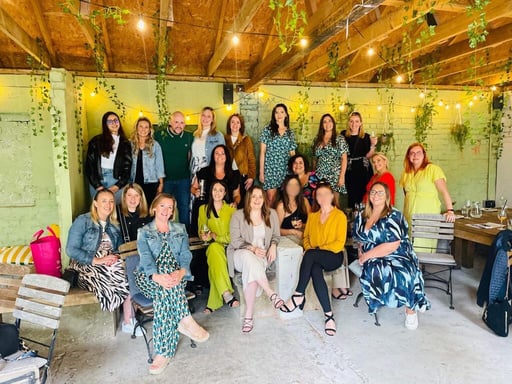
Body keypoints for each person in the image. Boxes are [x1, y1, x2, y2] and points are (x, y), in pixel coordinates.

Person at [135, 193, 209, 375]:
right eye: (162, 206)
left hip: (175, 276)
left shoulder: (179, 229)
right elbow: (145, 258)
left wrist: (182, 272)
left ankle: (162, 353)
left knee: (165, 292)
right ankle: (185, 319)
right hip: (148, 276)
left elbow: (185, 255)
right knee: (164, 286)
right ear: (154, 207)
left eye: (170, 207)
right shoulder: (144, 232)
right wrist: (157, 276)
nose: (166, 210)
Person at [352, 181, 430, 330]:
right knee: (375, 271)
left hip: (398, 253)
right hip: (372, 255)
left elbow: (393, 244)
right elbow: (360, 239)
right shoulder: (363, 215)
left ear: (387, 196)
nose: (376, 195)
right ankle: (380, 299)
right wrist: (360, 251)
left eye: (380, 192)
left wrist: (366, 256)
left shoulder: (394, 215)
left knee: (406, 273)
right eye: (373, 192)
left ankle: (411, 308)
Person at [280, 182, 347, 336]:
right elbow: (307, 238)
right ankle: (329, 316)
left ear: (331, 196)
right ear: (316, 198)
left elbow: (338, 244)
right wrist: (312, 249)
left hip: (333, 256)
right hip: (316, 257)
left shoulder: (340, 216)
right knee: (315, 270)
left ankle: (298, 295)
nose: (322, 197)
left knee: (310, 254)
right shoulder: (313, 216)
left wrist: (315, 250)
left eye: (325, 194)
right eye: (319, 195)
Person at [65, 189, 136, 335]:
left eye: (111, 201)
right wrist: (97, 260)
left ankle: (129, 320)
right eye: (104, 201)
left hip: (108, 261)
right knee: (118, 272)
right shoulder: (83, 220)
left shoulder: (114, 224)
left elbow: (119, 248)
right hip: (85, 263)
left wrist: (114, 257)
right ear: (95, 203)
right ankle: (128, 319)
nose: (108, 204)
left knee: (129, 270)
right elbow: (71, 250)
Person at [227, 186, 285, 332]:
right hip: (240, 254)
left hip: (261, 257)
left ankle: (248, 316)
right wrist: (252, 248)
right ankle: (270, 293)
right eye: (254, 196)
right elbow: (235, 240)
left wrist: (273, 245)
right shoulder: (238, 215)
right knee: (248, 257)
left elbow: (276, 236)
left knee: (251, 273)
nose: (257, 200)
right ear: (248, 198)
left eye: (260, 196)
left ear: (264, 199)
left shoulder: (271, 214)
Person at [198, 181, 238, 313]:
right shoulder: (203, 209)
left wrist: (217, 237)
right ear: (211, 191)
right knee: (214, 249)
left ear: (225, 193)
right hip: (213, 246)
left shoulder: (231, 209)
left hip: (230, 246)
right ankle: (227, 294)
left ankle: (214, 302)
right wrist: (205, 236)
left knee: (214, 263)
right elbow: (202, 230)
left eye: (221, 190)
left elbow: (235, 234)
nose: (217, 193)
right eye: (215, 189)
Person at [399, 142, 456, 227]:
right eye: (412, 153)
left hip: (428, 216)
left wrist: (450, 211)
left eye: (418, 153)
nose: (415, 156)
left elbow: (444, 191)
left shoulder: (433, 169)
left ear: (424, 155)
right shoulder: (406, 173)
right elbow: (406, 193)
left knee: (424, 240)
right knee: (408, 239)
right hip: (409, 216)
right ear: (408, 156)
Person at [155, 111, 194, 231]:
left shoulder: (189, 136)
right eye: (176, 122)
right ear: (170, 122)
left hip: (183, 179)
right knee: (164, 208)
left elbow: (190, 156)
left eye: (182, 123)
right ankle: (163, 233)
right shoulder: (160, 135)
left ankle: (185, 235)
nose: (179, 125)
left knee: (184, 208)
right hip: (166, 180)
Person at [190, 144, 241, 235]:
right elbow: (193, 188)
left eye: (222, 153)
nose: (219, 156)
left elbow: (237, 195)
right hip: (205, 207)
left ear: (227, 156)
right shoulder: (204, 171)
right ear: (213, 156)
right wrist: (195, 191)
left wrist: (236, 202)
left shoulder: (234, 175)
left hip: (224, 210)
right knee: (201, 234)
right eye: (216, 153)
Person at [85, 111, 132, 203]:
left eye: (116, 120)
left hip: (115, 179)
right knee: (99, 209)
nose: (114, 123)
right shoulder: (96, 141)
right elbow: (89, 166)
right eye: (110, 121)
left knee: (115, 209)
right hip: (98, 178)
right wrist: (97, 185)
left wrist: (117, 186)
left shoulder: (125, 143)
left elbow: (127, 167)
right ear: (105, 124)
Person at [259, 103, 297, 206]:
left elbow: (293, 154)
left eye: (282, 112)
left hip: (285, 170)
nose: (279, 114)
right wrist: (261, 172)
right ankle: (270, 221)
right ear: (273, 115)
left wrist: (295, 172)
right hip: (271, 170)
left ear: (286, 115)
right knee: (270, 200)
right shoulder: (267, 130)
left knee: (285, 200)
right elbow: (262, 152)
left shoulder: (290, 133)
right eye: (276, 112)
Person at [342, 112, 377, 208]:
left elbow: (368, 156)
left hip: (363, 169)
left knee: (364, 194)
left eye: (357, 121)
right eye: (351, 121)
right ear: (349, 122)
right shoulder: (343, 135)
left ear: (361, 123)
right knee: (351, 195)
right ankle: (354, 220)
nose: (354, 124)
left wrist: (373, 145)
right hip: (349, 169)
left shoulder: (366, 137)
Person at [313, 113, 349, 207]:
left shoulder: (339, 138)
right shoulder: (318, 139)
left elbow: (344, 158)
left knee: (334, 202)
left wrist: (342, 176)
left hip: (334, 174)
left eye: (329, 121)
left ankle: (336, 220)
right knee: (321, 201)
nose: (327, 123)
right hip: (321, 174)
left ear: (333, 123)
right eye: (324, 122)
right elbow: (315, 157)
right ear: (322, 125)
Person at [129, 117, 165, 205]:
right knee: (135, 208)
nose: (143, 129)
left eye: (146, 127)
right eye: (141, 126)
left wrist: (161, 184)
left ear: (150, 130)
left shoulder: (155, 145)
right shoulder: (130, 144)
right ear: (136, 128)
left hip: (151, 183)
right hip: (134, 183)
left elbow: (159, 165)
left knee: (149, 208)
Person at [224, 113, 256, 204]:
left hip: (243, 176)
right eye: (232, 122)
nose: (235, 124)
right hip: (229, 175)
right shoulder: (224, 139)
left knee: (243, 203)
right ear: (229, 125)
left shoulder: (246, 140)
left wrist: (251, 177)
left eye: (238, 122)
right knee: (230, 202)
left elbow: (251, 159)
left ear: (241, 125)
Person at [190, 107, 225, 179]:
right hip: (195, 170)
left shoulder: (218, 135)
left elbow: (223, 156)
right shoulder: (195, 135)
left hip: (209, 170)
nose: (205, 118)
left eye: (209, 116)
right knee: (195, 190)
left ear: (212, 119)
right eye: (203, 115)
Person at [275, 175, 311, 245]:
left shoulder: (304, 201)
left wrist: (302, 225)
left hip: (305, 235)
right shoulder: (281, 206)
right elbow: (276, 231)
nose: (293, 188)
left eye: (296, 185)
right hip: (288, 238)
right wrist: (293, 232)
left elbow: (312, 223)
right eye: (290, 185)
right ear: (285, 188)